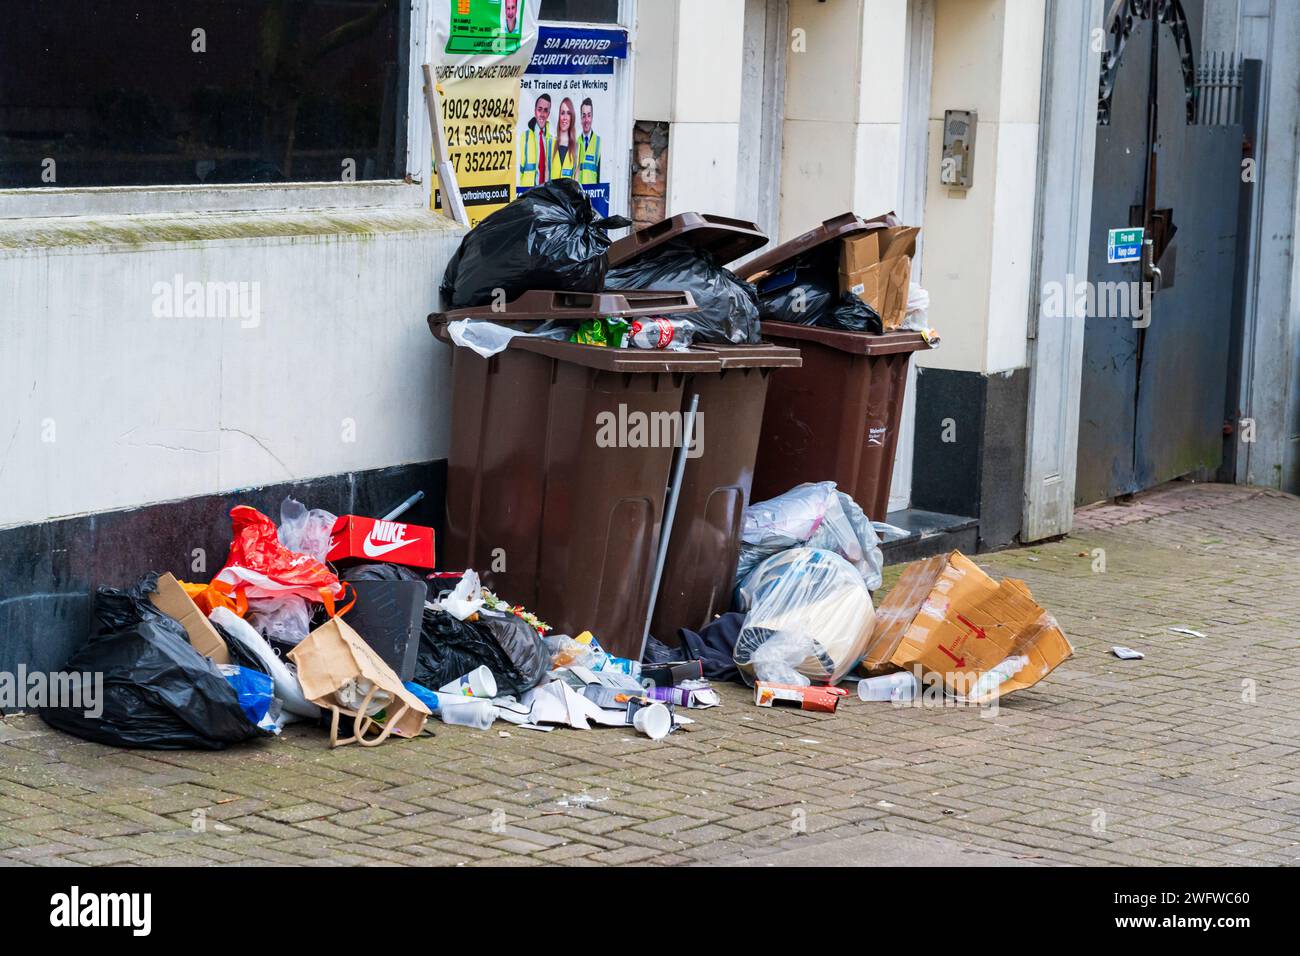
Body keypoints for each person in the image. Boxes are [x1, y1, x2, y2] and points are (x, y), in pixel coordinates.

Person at [519, 93, 550, 187]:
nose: (542, 114)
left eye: (545, 110)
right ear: (535, 111)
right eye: (539, 109)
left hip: (546, 194)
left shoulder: (552, 140)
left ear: (548, 114)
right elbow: (518, 170)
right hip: (528, 193)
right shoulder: (524, 137)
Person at [549, 96, 577, 181]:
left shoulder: (578, 147)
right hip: (551, 194)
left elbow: (576, 181)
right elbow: (546, 178)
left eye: (568, 113)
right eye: (562, 113)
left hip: (569, 194)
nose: (565, 117)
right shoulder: (550, 143)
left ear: (572, 117)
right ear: (559, 116)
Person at [577, 97, 601, 185]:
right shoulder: (577, 142)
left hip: (593, 194)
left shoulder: (599, 142)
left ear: (592, 117)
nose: (586, 120)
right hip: (578, 194)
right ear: (580, 118)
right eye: (583, 116)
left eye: (589, 115)